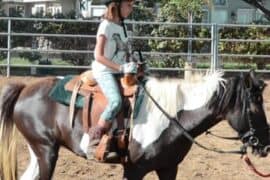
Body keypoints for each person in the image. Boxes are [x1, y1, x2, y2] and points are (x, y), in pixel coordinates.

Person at [89, 0, 136, 145]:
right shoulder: (106, 26)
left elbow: (124, 53)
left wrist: (133, 63)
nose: (131, 9)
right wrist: (120, 68)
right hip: (104, 71)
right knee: (115, 101)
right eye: (128, 5)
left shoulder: (122, 27)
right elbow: (98, 56)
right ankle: (97, 134)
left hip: (118, 70)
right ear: (116, 6)